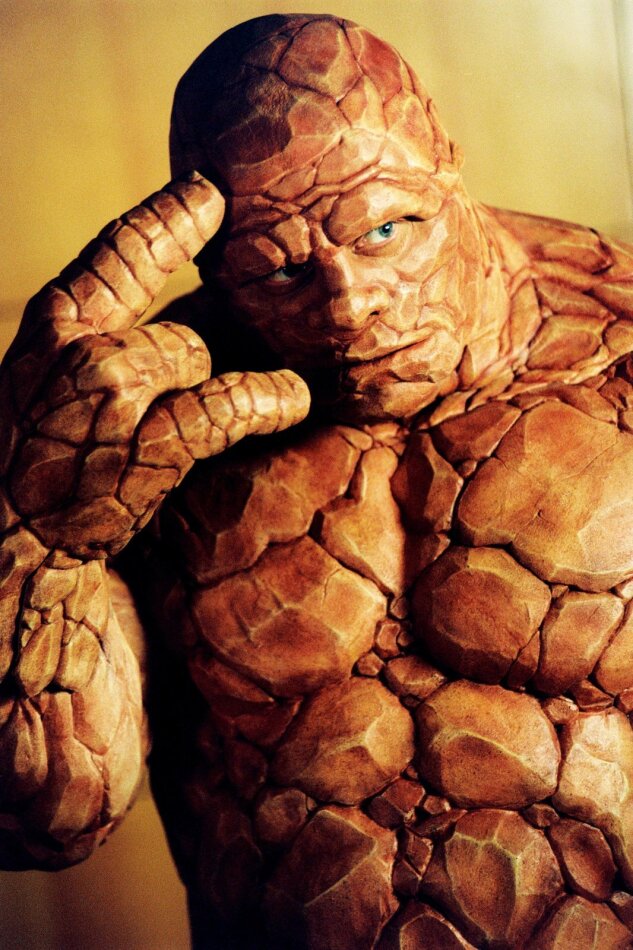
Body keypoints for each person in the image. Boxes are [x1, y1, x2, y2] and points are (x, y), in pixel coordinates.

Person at [2, 12, 633, 949]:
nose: (347, 303)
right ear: (215, 266)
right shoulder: (139, 434)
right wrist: (33, 542)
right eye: (277, 270)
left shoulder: (617, 348)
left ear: (444, 160)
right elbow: (43, 821)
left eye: (385, 228)